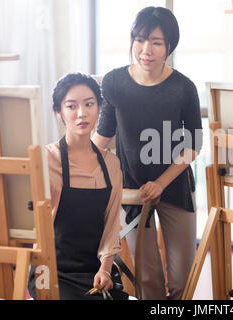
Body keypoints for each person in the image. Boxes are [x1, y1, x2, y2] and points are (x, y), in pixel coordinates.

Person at [92, 7, 202, 300]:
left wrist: (161, 183)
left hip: (175, 187)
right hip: (132, 192)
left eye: (156, 42)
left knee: (181, 281)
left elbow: (193, 145)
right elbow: (102, 138)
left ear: (169, 47)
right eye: (140, 40)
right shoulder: (114, 83)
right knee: (148, 281)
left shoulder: (184, 88)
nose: (146, 49)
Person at [28, 72, 127, 300]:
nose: (82, 113)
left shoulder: (111, 164)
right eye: (71, 106)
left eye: (89, 104)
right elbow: (35, 226)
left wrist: (105, 268)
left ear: (99, 108)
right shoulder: (46, 159)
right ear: (59, 112)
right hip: (50, 270)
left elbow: (112, 226)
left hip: (96, 270)